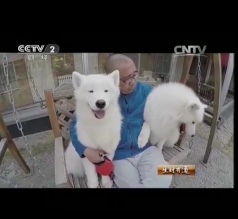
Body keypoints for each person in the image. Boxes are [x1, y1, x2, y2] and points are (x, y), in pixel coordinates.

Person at [69, 54, 172, 188]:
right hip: (118, 155)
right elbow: (74, 125)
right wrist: (85, 150)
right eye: (126, 79)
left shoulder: (148, 92)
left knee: (163, 179)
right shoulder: (102, 96)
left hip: (147, 150)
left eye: (134, 74)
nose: (133, 81)